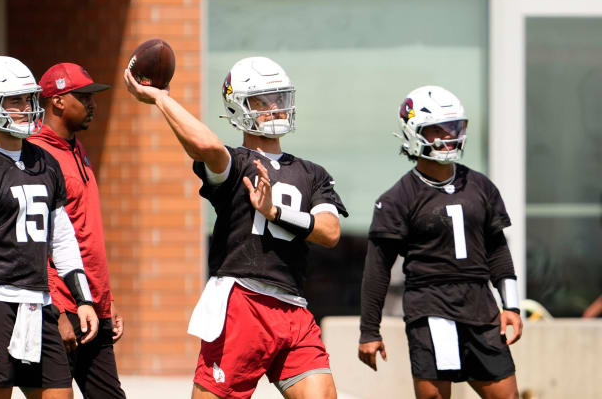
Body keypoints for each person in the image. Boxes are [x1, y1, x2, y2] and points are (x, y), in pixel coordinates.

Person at [124, 57, 348, 399]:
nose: (275, 108)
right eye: (262, 101)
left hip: (293, 306)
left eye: (279, 98)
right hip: (243, 301)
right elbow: (207, 147)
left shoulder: (311, 172)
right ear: (238, 107)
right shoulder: (236, 163)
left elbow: (330, 232)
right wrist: (161, 99)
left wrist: (275, 211)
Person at [0, 56, 99, 399]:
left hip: (38, 304)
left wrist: (82, 298)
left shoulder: (45, 161)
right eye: (15, 100)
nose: (27, 108)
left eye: (29, 99)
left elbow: (62, 237)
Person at [357, 85, 523, 399]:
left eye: (454, 128)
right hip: (429, 305)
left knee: (506, 396)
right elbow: (377, 270)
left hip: (480, 305)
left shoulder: (481, 186)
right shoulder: (397, 199)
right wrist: (369, 330)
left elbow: (497, 249)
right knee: (434, 397)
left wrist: (511, 305)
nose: (448, 137)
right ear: (413, 133)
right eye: (437, 130)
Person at [28, 62, 126, 399]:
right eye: (83, 97)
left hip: (92, 305)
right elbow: (36, 241)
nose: (92, 104)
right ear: (57, 101)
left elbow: (88, 233)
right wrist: (55, 313)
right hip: (62, 307)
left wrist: (105, 300)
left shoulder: (76, 148)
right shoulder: (35, 155)